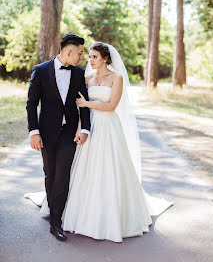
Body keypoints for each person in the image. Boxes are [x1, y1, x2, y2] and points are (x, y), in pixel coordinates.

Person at [60, 42, 173, 242]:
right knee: (87, 169)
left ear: (105, 58)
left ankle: (111, 217)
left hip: (108, 127)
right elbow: (81, 110)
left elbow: (111, 106)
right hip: (90, 126)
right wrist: (80, 128)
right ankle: (82, 213)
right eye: (89, 57)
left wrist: (86, 102)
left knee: (109, 168)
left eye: (95, 57)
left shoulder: (116, 78)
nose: (91, 60)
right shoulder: (87, 78)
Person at [26, 33, 91, 241]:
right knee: (50, 173)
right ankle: (52, 206)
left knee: (63, 175)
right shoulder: (41, 70)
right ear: (68, 52)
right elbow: (31, 103)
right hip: (46, 132)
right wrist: (34, 132)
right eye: (79, 53)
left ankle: (56, 221)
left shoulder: (80, 74)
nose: (82, 57)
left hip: (69, 134)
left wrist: (85, 130)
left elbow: (85, 105)